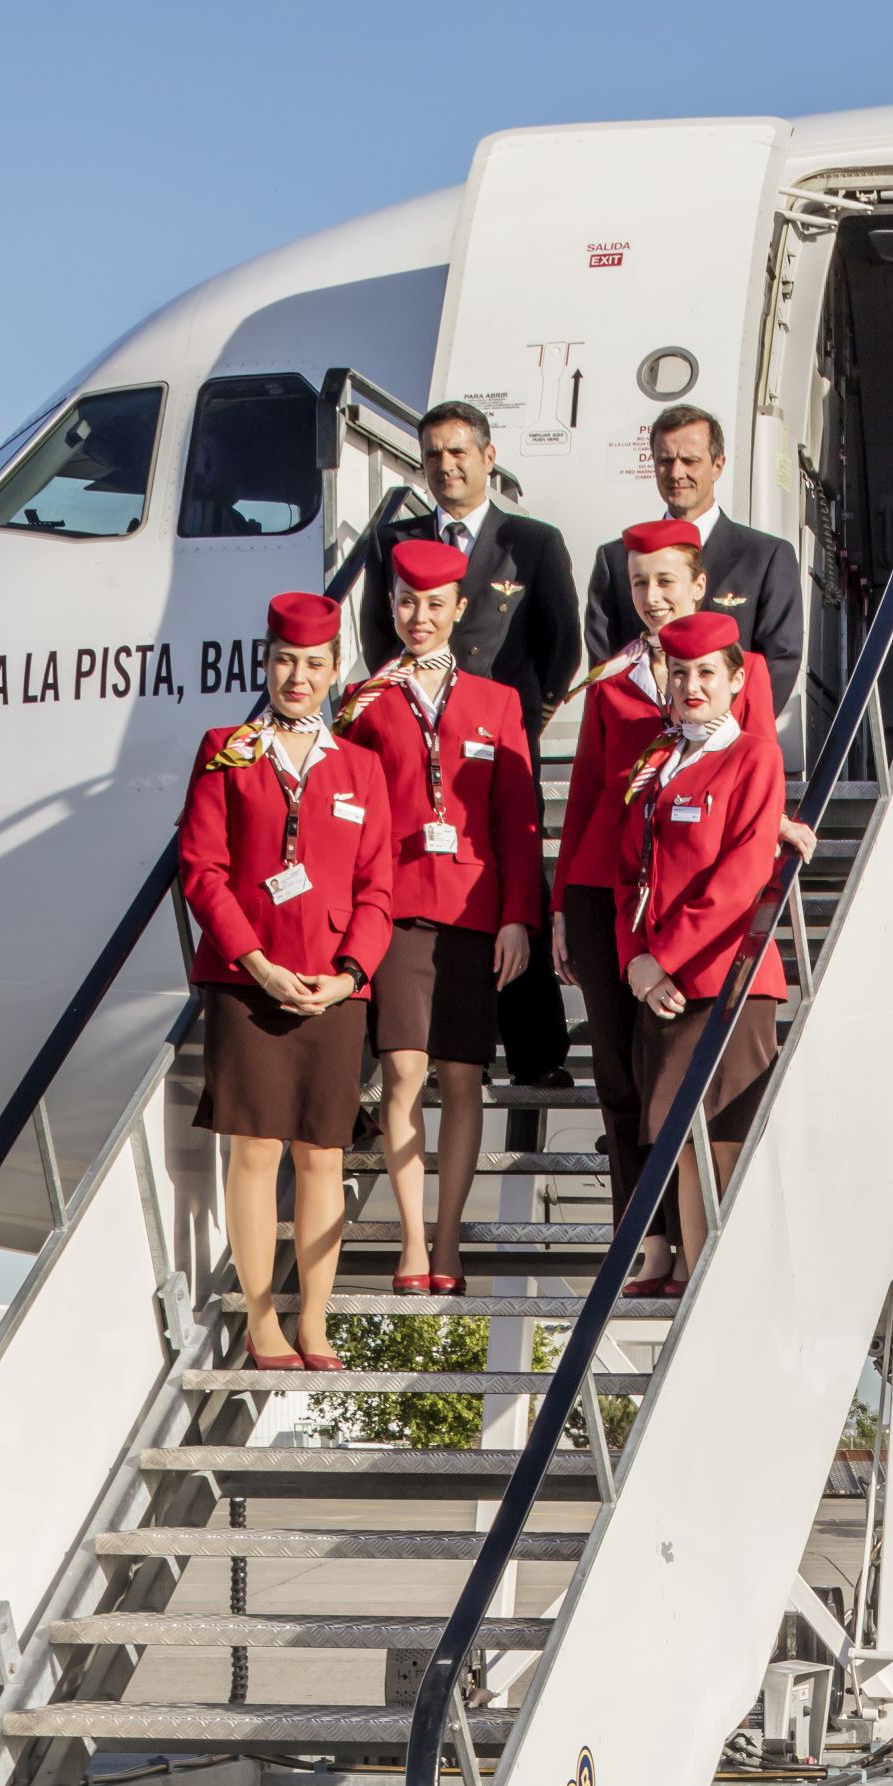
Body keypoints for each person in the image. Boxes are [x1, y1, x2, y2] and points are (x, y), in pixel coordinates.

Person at [176, 593, 394, 1370]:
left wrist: (349, 976)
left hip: (332, 990)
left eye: (312, 664)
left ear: (337, 670)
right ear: (265, 663)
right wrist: (256, 963)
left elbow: (379, 889)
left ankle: (315, 1322)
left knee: (322, 1155)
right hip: (248, 981)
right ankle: (263, 1320)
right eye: (283, 662)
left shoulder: (362, 768)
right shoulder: (225, 751)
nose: (296, 677)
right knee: (255, 1152)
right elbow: (202, 871)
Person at [359, 400, 579, 1090]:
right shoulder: (392, 540)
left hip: (497, 735)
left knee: (517, 880)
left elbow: (560, 644)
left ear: (488, 456)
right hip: (421, 733)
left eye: (459, 452)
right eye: (433, 455)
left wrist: (519, 722)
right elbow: (375, 637)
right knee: (413, 889)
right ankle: (421, 1038)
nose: (446, 466)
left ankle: (537, 1050)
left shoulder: (533, 542)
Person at [344, 537, 543, 1296]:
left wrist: (518, 915)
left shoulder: (498, 704)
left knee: (463, 1076)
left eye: (434, 605)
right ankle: (410, 1238)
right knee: (401, 1072)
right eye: (404, 602)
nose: (418, 617)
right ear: (390, 606)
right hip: (394, 908)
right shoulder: (365, 702)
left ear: (461, 610)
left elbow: (517, 820)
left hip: (472, 911)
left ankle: (450, 1237)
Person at [617, 608, 793, 1298]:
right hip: (660, 979)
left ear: (734, 680)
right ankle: (693, 1275)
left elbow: (742, 877)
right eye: (680, 671)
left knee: (719, 1142)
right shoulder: (656, 761)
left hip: (728, 980)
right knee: (681, 1144)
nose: (692, 685)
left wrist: (663, 957)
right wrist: (635, 959)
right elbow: (628, 872)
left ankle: (717, 1283)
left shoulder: (753, 756)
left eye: (707, 674)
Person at [556, 521, 710, 1237]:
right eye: (640, 583)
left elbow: (758, 764)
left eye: (666, 582)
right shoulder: (612, 681)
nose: (652, 597)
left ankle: (683, 1229)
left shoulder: (731, 672)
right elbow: (585, 793)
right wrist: (560, 906)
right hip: (600, 890)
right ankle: (638, 1235)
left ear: (696, 586)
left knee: (671, 1074)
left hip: (677, 891)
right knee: (616, 1077)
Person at [586, 405, 805, 766]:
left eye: (690, 461)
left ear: (718, 465)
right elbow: (607, 660)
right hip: (639, 757)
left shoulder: (765, 557)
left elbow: (779, 661)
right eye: (665, 461)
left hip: (730, 749)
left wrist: (713, 726)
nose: (676, 473)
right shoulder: (615, 559)